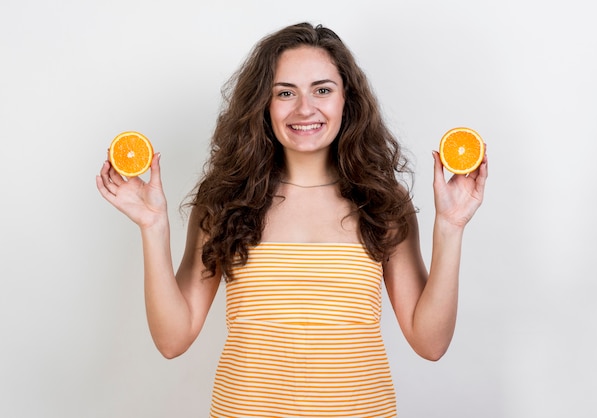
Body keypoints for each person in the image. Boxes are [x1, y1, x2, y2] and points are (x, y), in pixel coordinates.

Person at [96, 22, 488, 418]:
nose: (305, 108)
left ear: (345, 99)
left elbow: (430, 343)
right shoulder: (225, 202)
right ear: (263, 104)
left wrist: (450, 226)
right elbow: (172, 340)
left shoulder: (383, 203)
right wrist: (153, 226)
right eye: (285, 93)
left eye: (322, 89)